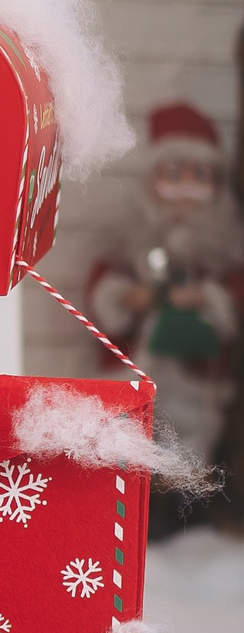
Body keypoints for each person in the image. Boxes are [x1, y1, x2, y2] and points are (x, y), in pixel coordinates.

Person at [88, 102, 240, 533]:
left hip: (195, 372)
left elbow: (235, 292)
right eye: (173, 173)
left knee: (190, 445)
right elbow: (101, 281)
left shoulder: (222, 247)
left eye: (199, 175)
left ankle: (181, 515)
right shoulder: (129, 239)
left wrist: (208, 297)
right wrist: (123, 296)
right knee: (129, 439)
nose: (185, 187)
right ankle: (127, 511)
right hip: (134, 366)